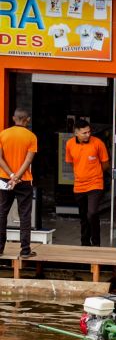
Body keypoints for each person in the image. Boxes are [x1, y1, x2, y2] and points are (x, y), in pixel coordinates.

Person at [0, 108, 38, 258]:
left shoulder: (3, 134)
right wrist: (16, 177)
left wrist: (11, 176)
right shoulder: (31, 137)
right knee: (25, 214)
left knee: (2, 212)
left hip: (4, 179)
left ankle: (0, 248)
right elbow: (28, 161)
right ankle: (25, 250)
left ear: (13, 118)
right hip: (24, 180)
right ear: (27, 120)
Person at [65, 119, 109, 246]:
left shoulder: (98, 143)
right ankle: (84, 243)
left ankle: (96, 243)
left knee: (92, 213)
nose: (88, 135)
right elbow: (71, 162)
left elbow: (105, 164)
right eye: (84, 133)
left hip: (95, 183)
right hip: (79, 185)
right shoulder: (69, 144)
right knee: (83, 216)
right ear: (76, 133)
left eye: (89, 132)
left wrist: (95, 173)